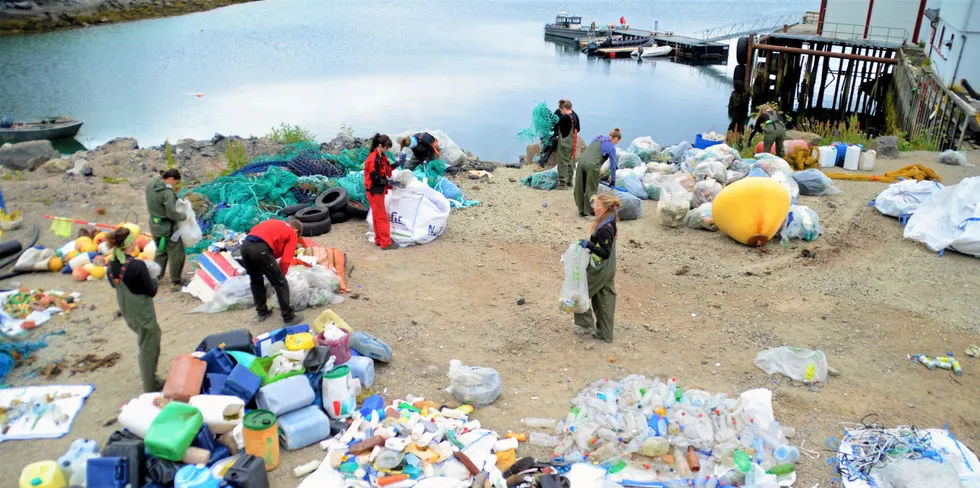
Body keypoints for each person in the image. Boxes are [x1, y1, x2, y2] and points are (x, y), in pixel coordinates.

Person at [107, 226, 163, 392]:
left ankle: (152, 378)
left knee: (150, 340)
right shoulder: (137, 265)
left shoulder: (111, 265)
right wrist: (154, 277)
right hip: (142, 312)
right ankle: (150, 386)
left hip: (128, 311)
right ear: (130, 244)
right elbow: (151, 290)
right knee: (148, 346)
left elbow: (113, 284)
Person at [574, 193, 622, 343]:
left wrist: (589, 245)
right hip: (608, 268)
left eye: (597, 206)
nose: (594, 208)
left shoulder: (604, 229)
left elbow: (605, 253)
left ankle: (586, 324)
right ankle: (605, 333)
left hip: (602, 267)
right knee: (604, 299)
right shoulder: (609, 220)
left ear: (606, 208)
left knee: (579, 291)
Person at [242, 219, 304, 325]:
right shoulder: (291, 233)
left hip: (245, 246)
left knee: (256, 280)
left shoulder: (275, 223)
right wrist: (280, 276)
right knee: (280, 283)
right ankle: (289, 317)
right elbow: (285, 261)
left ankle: (262, 312)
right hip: (260, 249)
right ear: (296, 230)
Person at [145, 169, 187, 291]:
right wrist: (183, 216)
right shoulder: (167, 193)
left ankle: (155, 276)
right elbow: (172, 214)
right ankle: (176, 281)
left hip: (154, 225)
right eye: (175, 182)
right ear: (171, 179)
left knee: (161, 250)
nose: (174, 185)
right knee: (176, 253)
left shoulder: (151, 184)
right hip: (167, 227)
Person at [574, 129, 621, 217]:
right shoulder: (611, 147)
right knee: (591, 188)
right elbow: (613, 166)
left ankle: (580, 209)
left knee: (579, 186)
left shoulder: (597, 137)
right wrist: (613, 181)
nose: (615, 144)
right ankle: (588, 211)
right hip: (593, 166)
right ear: (616, 138)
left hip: (581, 162)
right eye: (617, 142)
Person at [364, 133, 399, 250]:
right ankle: (385, 242)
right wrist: (390, 183)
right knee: (382, 217)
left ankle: (378, 239)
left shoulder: (381, 156)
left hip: (377, 190)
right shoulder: (373, 159)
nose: (387, 150)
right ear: (380, 145)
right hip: (375, 190)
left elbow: (387, 169)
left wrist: (398, 164)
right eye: (386, 148)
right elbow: (376, 178)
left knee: (376, 215)